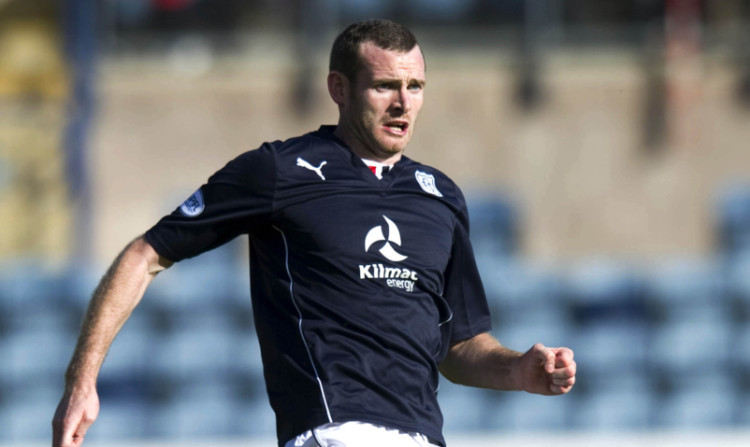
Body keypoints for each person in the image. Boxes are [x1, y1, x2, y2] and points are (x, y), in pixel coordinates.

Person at [52, 19, 576, 447]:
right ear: (338, 88)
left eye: (414, 87)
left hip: (424, 438)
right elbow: (146, 253)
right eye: (385, 86)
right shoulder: (279, 170)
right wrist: (82, 380)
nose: (403, 103)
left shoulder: (439, 196)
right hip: (334, 432)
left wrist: (519, 371)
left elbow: (458, 347)